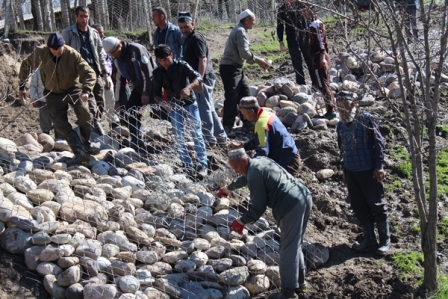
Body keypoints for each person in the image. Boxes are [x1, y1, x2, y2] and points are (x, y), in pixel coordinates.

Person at [221, 149, 312, 299]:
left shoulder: (254, 172)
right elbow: (247, 177)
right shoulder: (259, 161)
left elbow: (258, 207)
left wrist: (241, 221)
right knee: (295, 244)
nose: (236, 171)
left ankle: (288, 293)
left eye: (236, 167)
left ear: (244, 161)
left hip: (290, 205)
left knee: (287, 248)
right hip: (304, 195)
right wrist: (229, 188)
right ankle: (301, 285)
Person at [18, 33, 97, 166]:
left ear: (63, 46)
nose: (56, 52)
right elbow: (26, 65)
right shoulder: (40, 53)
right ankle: (79, 152)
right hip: (52, 92)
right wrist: (22, 86)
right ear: (49, 48)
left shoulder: (72, 54)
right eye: (53, 50)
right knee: (59, 124)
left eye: (59, 49)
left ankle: (86, 143)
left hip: (73, 88)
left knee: (85, 114)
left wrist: (86, 91)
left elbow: (89, 73)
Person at [335, 91, 390, 256]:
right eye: (339, 108)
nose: (341, 111)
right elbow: (342, 150)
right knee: (359, 206)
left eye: (344, 107)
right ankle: (369, 241)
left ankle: (385, 241)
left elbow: (379, 143)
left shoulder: (366, 120)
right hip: (351, 172)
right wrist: (344, 172)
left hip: (368, 171)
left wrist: (379, 166)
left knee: (377, 205)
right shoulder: (340, 125)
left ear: (352, 105)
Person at [152, 44, 208, 178]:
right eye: (160, 61)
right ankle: (187, 165)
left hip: (189, 104)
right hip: (173, 106)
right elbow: (155, 94)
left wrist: (189, 87)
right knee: (179, 136)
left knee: (196, 134)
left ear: (171, 55)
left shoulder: (182, 65)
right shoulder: (158, 72)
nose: (164, 63)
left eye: (165, 59)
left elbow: (198, 77)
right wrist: (163, 104)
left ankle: (203, 165)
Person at [178, 11, 227, 148]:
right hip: (201, 77)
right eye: (181, 27)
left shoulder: (196, 38)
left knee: (203, 107)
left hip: (204, 77)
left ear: (192, 24)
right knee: (209, 107)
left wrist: (199, 79)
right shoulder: (188, 38)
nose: (183, 30)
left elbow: (203, 60)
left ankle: (209, 140)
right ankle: (220, 137)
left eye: (186, 27)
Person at [219, 9, 271, 138]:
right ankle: (227, 126)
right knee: (232, 97)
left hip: (236, 68)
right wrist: (259, 60)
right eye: (253, 20)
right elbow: (245, 54)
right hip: (230, 68)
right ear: (247, 20)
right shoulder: (240, 31)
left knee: (245, 94)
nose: (254, 23)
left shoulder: (240, 30)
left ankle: (248, 123)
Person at [62, 6, 112, 136]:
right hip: (79, 73)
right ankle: (95, 125)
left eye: (86, 16)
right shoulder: (68, 33)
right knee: (88, 99)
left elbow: (100, 54)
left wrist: (105, 73)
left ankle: (97, 120)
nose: (84, 19)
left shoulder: (94, 33)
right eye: (81, 16)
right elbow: (64, 54)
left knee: (100, 97)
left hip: (94, 70)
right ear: (76, 17)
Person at [102, 36, 157, 148]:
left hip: (154, 85)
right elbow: (119, 82)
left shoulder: (136, 50)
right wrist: (117, 101)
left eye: (113, 52)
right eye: (110, 54)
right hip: (138, 87)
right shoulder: (117, 60)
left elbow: (148, 73)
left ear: (119, 46)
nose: (112, 55)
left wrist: (146, 93)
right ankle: (136, 140)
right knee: (130, 111)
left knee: (161, 113)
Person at [228, 96, 301, 174]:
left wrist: (248, 168)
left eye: (244, 114)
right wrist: (242, 146)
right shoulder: (265, 113)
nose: (244, 118)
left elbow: (262, 153)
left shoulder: (262, 125)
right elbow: (259, 140)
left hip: (287, 161)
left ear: (252, 112)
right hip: (289, 153)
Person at [302, 6, 336, 120]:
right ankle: (331, 108)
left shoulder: (315, 25)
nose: (303, 14)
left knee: (322, 84)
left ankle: (331, 110)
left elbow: (321, 41)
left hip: (319, 57)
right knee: (324, 82)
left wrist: (322, 56)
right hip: (318, 56)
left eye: (304, 11)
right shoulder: (313, 23)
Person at [277, 0, 317, 86]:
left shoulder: (302, 6)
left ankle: (315, 82)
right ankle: (301, 84)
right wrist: (280, 40)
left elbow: (311, 17)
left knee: (309, 58)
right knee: (296, 60)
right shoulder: (282, 10)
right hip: (291, 37)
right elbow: (280, 26)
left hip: (304, 34)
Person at [91, 23, 119, 129]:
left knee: (111, 100)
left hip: (108, 77)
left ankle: (114, 125)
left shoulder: (106, 45)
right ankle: (98, 125)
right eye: (99, 33)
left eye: (102, 33)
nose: (101, 36)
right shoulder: (92, 47)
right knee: (99, 102)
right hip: (98, 78)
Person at [29, 68, 57, 138]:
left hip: (57, 99)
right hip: (43, 100)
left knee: (58, 120)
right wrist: (34, 97)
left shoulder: (58, 67)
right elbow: (33, 85)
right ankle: (46, 137)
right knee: (45, 120)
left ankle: (59, 137)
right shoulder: (37, 71)